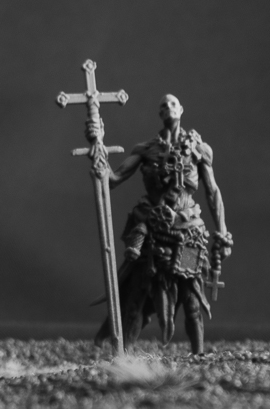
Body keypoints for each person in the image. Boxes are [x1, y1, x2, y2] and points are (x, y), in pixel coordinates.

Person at [98, 93, 233, 354]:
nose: (168, 107)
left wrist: (222, 230)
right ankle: (122, 356)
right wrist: (98, 146)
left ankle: (199, 354)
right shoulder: (146, 149)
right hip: (150, 232)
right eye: (163, 105)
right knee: (137, 296)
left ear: (181, 109)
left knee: (192, 298)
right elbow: (113, 179)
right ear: (159, 114)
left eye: (172, 103)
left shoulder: (199, 149)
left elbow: (212, 191)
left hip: (188, 233)